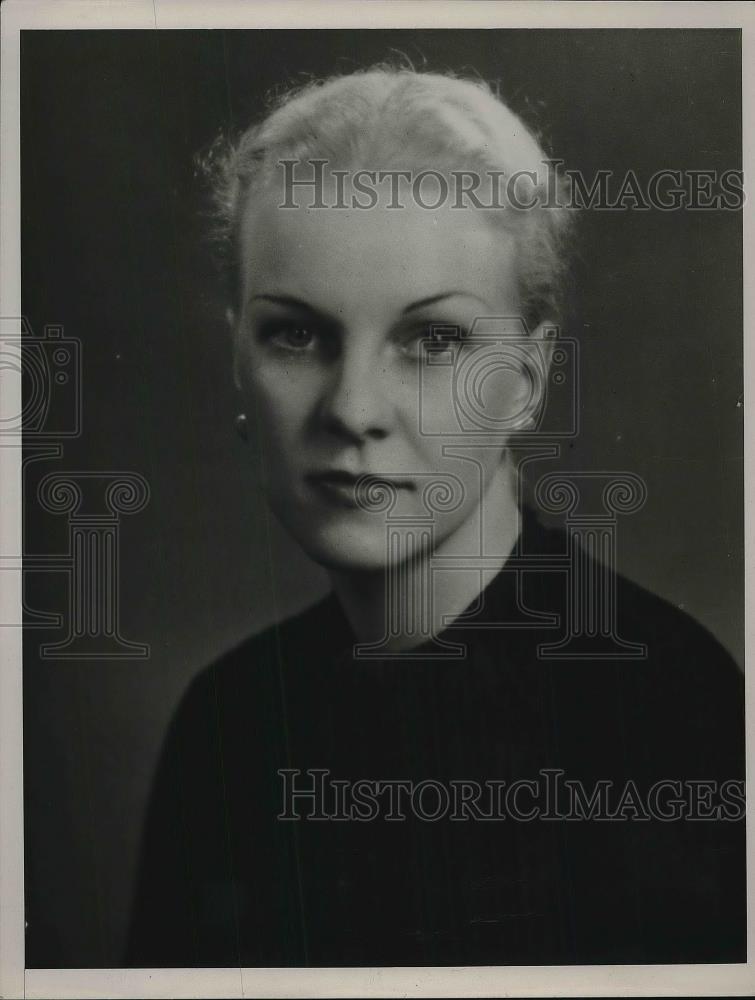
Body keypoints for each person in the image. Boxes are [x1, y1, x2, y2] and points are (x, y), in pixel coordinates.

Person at [125, 66, 745, 967]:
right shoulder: (230, 721)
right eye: (295, 334)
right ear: (236, 362)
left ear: (526, 381)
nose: (354, 407)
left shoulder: (665, 717)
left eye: (433, 340)